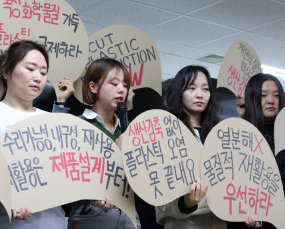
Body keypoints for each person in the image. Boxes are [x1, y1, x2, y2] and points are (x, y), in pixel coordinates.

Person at [0, 40, 74, 228]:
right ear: (6, 71)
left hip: (55, 220)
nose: (38, 77)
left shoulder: (54, 122)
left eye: (43, 72)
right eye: (31, 69)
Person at [67, 58, 140, 229]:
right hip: (92, 211)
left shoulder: (129, 129)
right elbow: (70, 175)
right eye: (114, 84)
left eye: (125, 84)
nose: (121, 89)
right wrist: (116, 151)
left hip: (128, 211)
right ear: (93, 87)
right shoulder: (78, 125)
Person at [155, 65, 226, 229]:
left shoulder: (219, 136)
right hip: (184, 224)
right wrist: (185, 202)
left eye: (205, 89)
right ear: (178, 93)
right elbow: (159, 198)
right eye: (191, 88)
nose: (200, 94)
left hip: (219, 223)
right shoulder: (166, 135)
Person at [228, 73, 285, 229]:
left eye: (276, 95)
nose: (271, 100)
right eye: (263, 95)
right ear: (252, 99)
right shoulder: (242, 137)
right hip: (257, 221)